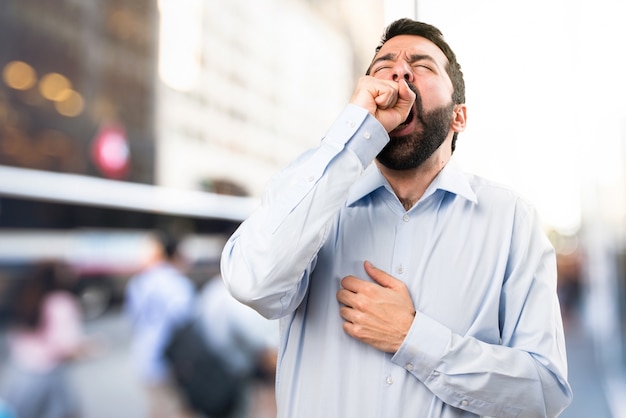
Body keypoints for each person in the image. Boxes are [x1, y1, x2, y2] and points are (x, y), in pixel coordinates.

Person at [220, 18, 573, 418]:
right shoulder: (313, 200)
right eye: (383, 66)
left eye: (421, 66)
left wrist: (412, 337)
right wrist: (351, 137)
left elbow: (543, 393)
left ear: (459, 116)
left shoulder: (511, 220)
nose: (399, 71)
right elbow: (252, 281)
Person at [0, 261, 91, 418]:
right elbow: (66, 347)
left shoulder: (26, 296)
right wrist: (90, 349)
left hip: (21, 373)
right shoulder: (61, 302)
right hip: (49, 375)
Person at [125, 232, 196, 418]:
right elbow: (185, 324)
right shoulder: (178, 283)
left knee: (157, 409)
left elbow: (133, 318)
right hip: (170, 361)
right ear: (174, 255)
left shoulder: (138, 282)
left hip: (143, 356)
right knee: (179, 410)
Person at [196, 274, 279, 418]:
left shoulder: (212, 289)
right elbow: (255, 340)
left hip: (210, 365)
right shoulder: (237, 293)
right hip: (232, 371)